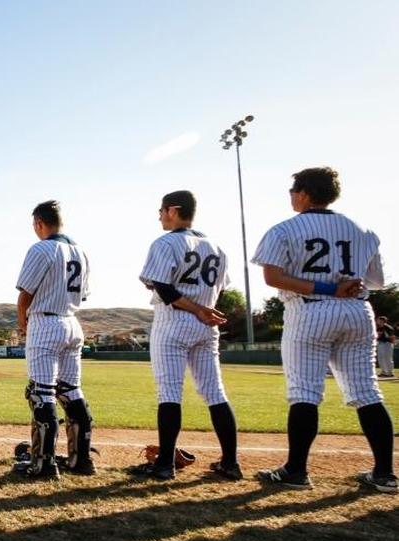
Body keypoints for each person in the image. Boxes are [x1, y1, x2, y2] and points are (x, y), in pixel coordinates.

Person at [252, 167, 394, 492]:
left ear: (303, 193)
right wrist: (342, 284)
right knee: (367, 391)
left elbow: (273, 278)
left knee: (304, 392)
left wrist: (327, 289)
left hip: (311, 311)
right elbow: (376, 282)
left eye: (292, 191)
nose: (291, 197)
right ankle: (385, 474)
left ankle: (296, 471)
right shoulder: (362, 230)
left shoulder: (284, 229)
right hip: (358, 312)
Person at [129, 191, 241, 481]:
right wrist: (203, 308)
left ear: (174, 210)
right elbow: (221, 288)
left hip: (175, 321)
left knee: (169, 392)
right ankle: (230, 462)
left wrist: (195, 307)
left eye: (162, 210)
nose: (159, 215)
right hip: (206, 325)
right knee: (215, 392)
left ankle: (165, 464)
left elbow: (165, 290)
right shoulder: (216, 246)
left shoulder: (165, 242)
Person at [12, 200, 96, 479]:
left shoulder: (42, 248)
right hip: (72, 322)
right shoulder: (80, 252)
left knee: (41, 393)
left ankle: (44, 464)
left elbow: (25, 293)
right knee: (71, 391)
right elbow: (82, 295)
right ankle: (81, 460)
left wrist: (23, 322)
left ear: (39, 223)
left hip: (46, 322)